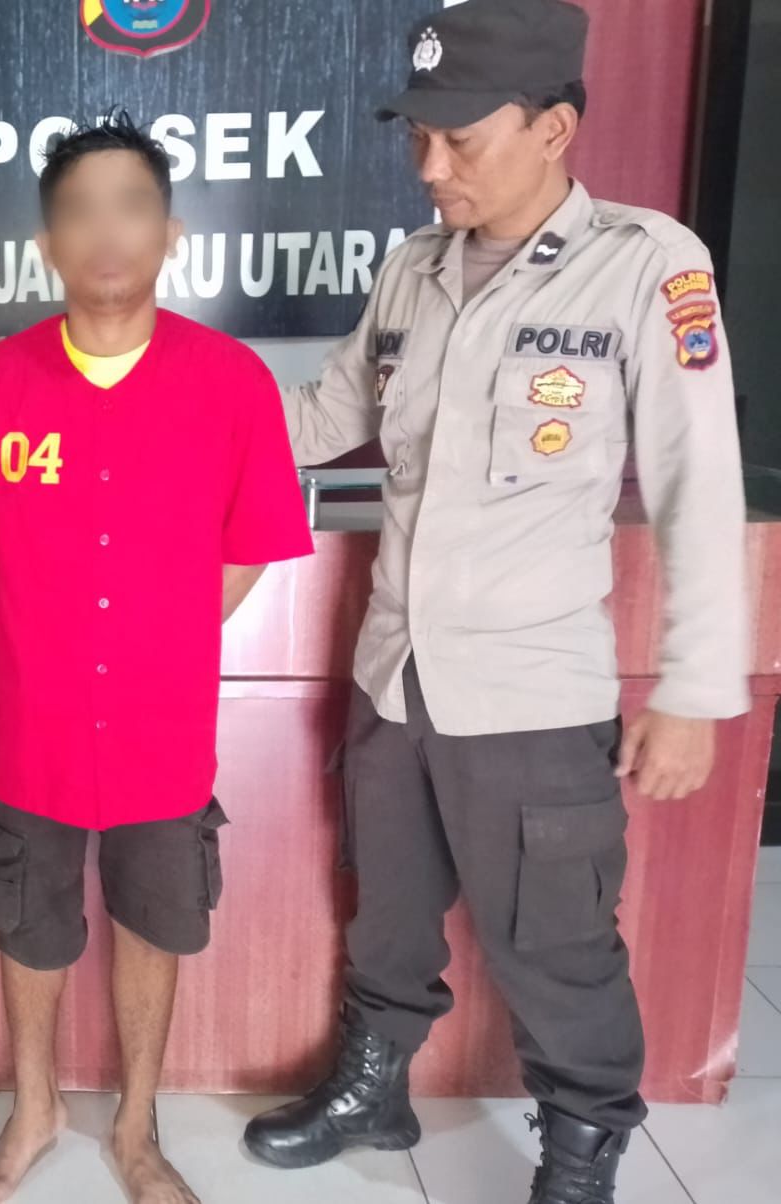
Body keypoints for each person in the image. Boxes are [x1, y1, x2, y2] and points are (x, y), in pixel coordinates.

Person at [242, 4, 750, 1202]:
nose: (430, 167)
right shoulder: (411, 269)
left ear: (553, 128)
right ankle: (374, 1088)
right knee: (388, 914)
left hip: (529, 694)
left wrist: (694, 691)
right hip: (395, 675)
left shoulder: (646, 264)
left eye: (460, 140)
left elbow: (697, 484)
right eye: (417, 136)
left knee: (555, 945)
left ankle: (581, 1150)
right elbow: (320, 418)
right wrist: (154, 412)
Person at [0, 111, 313, 1204]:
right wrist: (51, 648)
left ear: (170, 233)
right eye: (80, 212)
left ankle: (137, 1126)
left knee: (156, 917)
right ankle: (34, 1107)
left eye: (131, 206)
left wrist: (154, 638)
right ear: (47, 243)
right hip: (29, 721)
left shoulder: (232, 381)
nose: (107, 233)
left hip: (161, 722)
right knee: (29, 918)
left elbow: (248, 547)